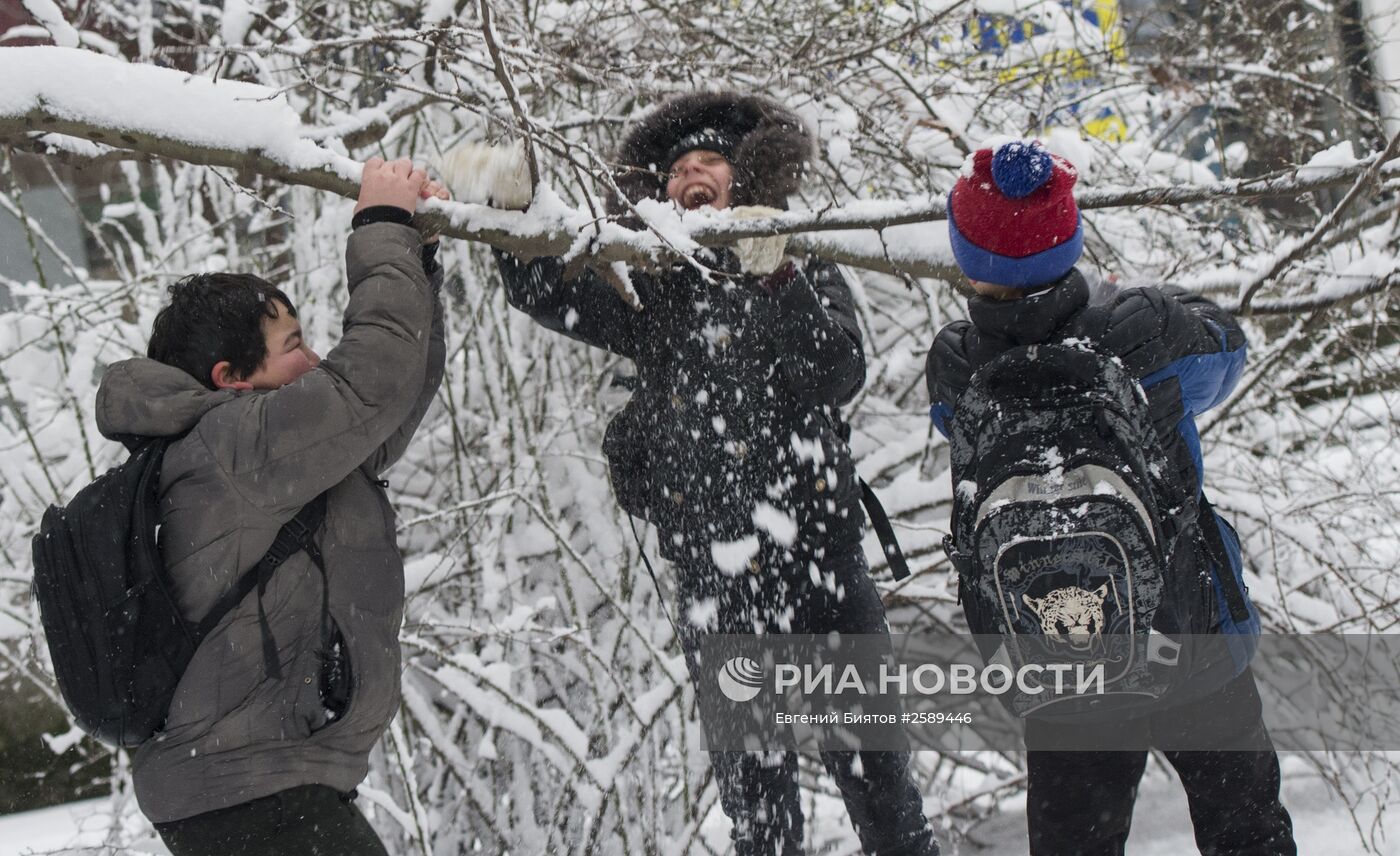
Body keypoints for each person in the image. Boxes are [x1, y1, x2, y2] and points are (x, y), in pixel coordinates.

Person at [448, 92, 939, 856]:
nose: (691, 176)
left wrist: (776, 279)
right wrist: (513, 224)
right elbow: (552, 297)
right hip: (717, 569)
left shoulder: (801, 259)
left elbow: (839, 369)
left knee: (879, 779)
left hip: (822, 562)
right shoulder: (654, 287)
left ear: (744, 179)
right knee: (757, 795)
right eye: (678, 169)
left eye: (709, 162)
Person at [926, 139, 1296, 855]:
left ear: (966, 257)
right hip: (1190, 639)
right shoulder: (1145, 329)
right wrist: (1151, 301)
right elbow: (1228, 351)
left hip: (1064, 665)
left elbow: (955, 428)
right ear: (1071, 236)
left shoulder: (957, 363)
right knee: (1247, 833)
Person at [94, 157, 449, 855]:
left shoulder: (270, 463)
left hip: (260, 794)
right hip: (252, 796)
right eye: (293, 347)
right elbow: (367, 384)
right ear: (230, 379)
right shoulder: (232, 446)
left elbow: (391, 393)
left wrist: (417, 256)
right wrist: (380, 225)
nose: (315, 361)